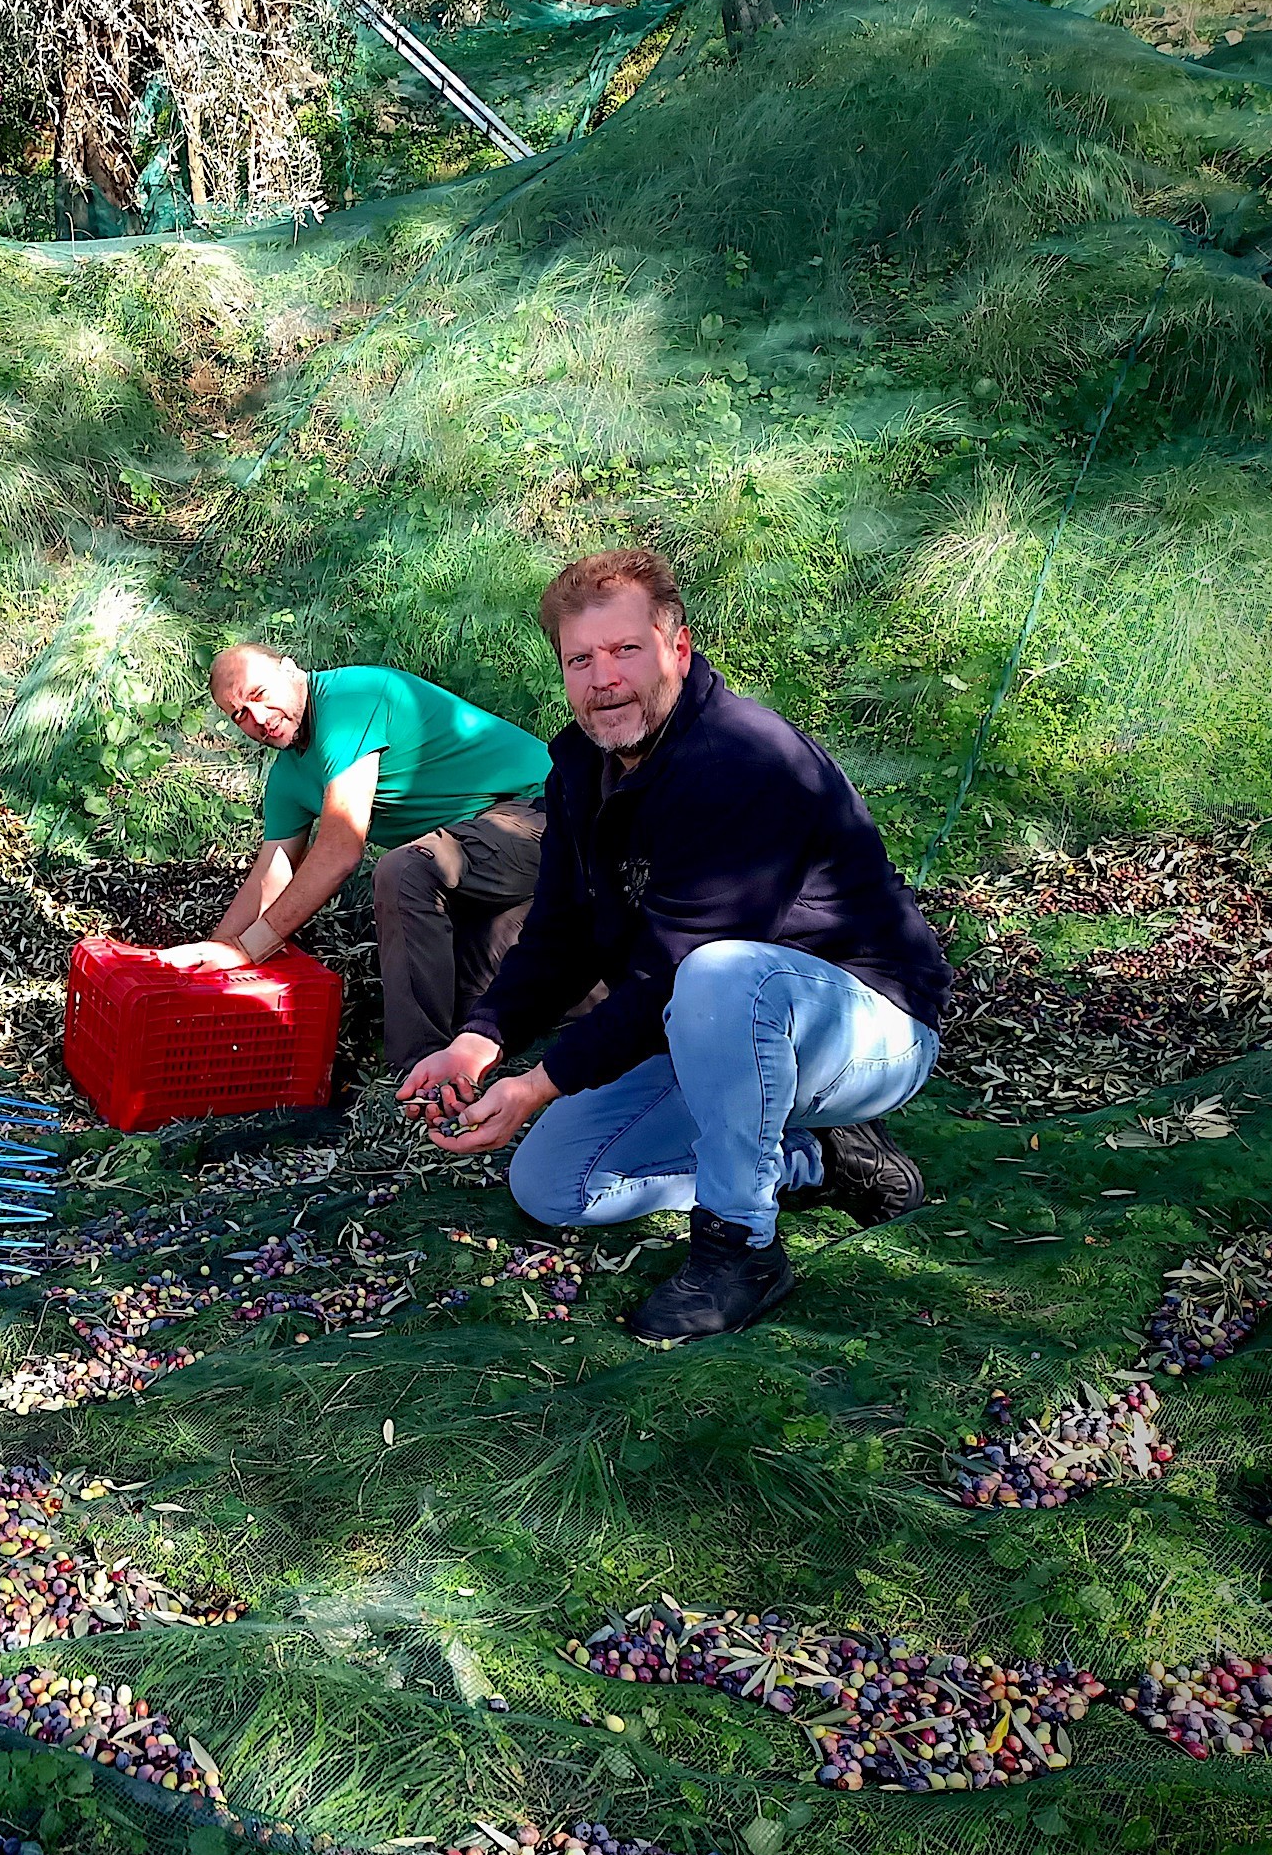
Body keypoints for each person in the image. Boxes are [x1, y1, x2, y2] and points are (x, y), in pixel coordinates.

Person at [401, 550, 950, 1343]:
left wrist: (536, 1086)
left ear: (678, 649)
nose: (603, 679)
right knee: (552, 1182)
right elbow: (558, 932)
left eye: (626, 650)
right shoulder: (579, 771)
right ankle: (820, 1160)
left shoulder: (743, 760)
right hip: (718, 1031)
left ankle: (742, 1248)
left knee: (718, 974)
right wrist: (478, 1042)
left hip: (868, 1028)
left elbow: (668, 976)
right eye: (580, 659)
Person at [169, 645, 554, 1076]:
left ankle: (416, 1073)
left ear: (291, 668)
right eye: (239, 714)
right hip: (484, 860)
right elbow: (271, 872)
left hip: (548, 811)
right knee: (479, 1003)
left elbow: (339, 852)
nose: (257, 719)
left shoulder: (351, 700)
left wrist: (249, 948)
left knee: (406, 870)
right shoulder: (289, 776)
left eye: (259, 693)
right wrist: (213, 956)